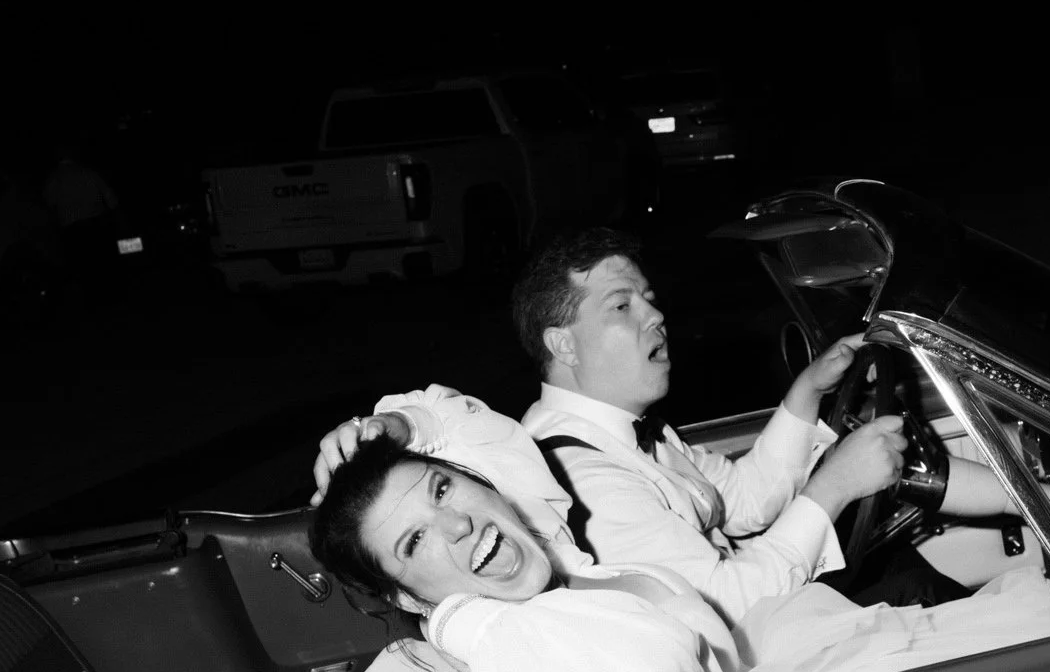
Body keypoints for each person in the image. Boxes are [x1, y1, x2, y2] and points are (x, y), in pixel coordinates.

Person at [252, 387, 1050, 672]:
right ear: (405, 593)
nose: (458, 523)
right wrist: (458, 618)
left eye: (443, 488)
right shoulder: (509, 633)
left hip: (776, 662)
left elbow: (472, 428)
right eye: (415, 543)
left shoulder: (546, 551)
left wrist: (393, 427)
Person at [313, 228, 1009, 634]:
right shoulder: (578, 475)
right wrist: (834, 486)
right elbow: (725, 601)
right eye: (622, 305)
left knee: (903, 571)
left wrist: (803, 397)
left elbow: (747, 501)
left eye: (649, 298)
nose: (655, 315)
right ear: (564, 343)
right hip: (757, 647)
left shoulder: (635, 433)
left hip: (782, 619)